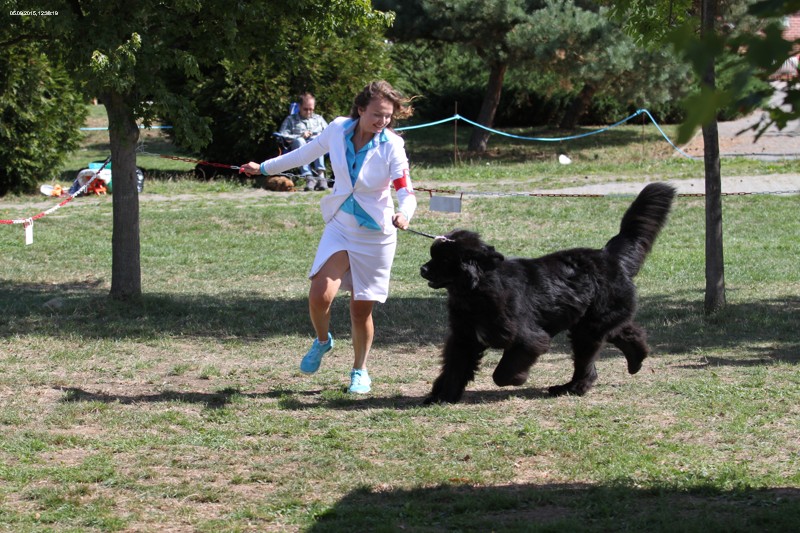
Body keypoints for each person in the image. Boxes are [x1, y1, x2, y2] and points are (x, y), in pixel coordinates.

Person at [241, 80, 417, 394]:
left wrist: (404, 213)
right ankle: (323, 341)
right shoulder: (337, 129)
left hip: (376, 234)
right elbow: (303, 154)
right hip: (341, 224)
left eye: (388, 116)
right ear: (360, 109)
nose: (382, 121)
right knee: (319, 295)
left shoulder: (392, 145)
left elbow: (405, 189)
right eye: (376, 114)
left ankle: (360, 370)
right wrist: (263, 167)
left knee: (360, 310)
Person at [277, 93, 329, 191]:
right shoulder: (291, 119)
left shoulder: (319, 119)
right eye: (305, 109)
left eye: (311, 109)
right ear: (299, 107)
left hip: (316, 145)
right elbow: (282, 134)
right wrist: (300, 136)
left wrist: (319, 136)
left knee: (317, 140)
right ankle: (309, 178)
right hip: (298, 145)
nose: (309, 112)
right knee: (300, 141)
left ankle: (321, 177)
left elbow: (329, 132)